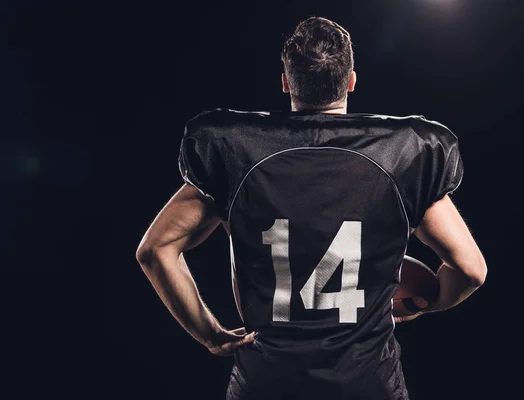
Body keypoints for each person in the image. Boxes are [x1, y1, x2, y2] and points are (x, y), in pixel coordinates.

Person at [136, 16, 487, 400]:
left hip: (266, 382)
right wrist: (428, 301)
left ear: (286, 82)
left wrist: (210, 334)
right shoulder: (401, 156)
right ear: (351, 80)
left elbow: (155, 251)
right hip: (368, 384)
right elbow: (470, 271)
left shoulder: (236, 153)